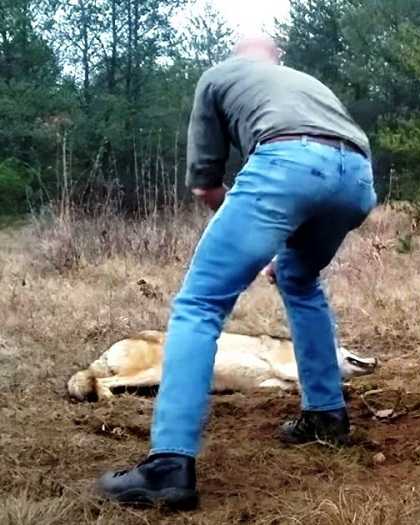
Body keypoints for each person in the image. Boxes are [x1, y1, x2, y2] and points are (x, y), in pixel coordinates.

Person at [97, 35, 376, 510]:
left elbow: (206, 185)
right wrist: (269, 240)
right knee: (300, 280)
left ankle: (168, 465)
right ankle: (326, 416)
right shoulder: (305, 82)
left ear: (234, 53)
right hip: (358, 179)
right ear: (277, 57)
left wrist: (252, 235)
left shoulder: (219, 76)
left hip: (288, 164)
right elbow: (329, 157)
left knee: (200, 304)